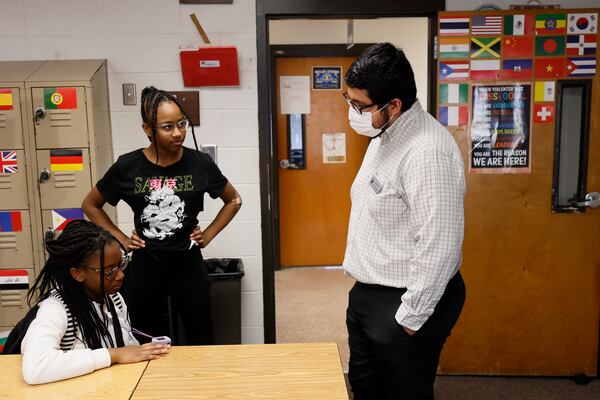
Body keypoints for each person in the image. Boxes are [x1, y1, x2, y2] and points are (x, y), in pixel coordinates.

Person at [342, 43, 467, 399]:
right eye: (348, 100)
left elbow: (439, 247)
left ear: (393, 105)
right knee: (367, 391)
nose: (352, 112)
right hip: (371, 293)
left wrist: (410, 320)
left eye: (359, 105)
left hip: (405, 302)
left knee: (403, 393)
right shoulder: (385, 134)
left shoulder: (427, 152)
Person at [82, 86, 241, 346]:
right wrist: (120, 238)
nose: (178, 133)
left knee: (202, 338)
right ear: (148, 130)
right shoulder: (128, 166)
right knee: (147, 341)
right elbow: (91, 205)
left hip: (187, 264)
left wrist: (209, 234)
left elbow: (233, 200)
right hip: (147, 265)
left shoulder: (199, 163)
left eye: (182, 124)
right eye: (168, 127)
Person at [20, 220, 169, 385]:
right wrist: (113, 355)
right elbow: (35, 368)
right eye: (109, 271)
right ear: (77, 273)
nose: (120, 275)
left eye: (121, 265)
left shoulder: (114, 299)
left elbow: (128, 350)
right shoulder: (56, 308)